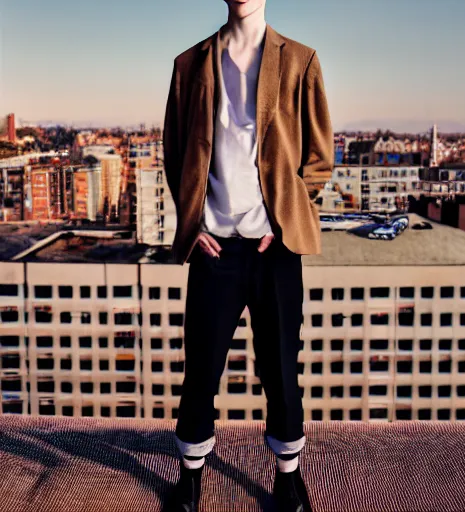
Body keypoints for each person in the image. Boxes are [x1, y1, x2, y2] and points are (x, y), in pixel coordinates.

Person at [162, 0, 333, 510]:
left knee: (281, 367)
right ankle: (190, 478)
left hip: (274, 248)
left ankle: (288, 478)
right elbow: (176, 153)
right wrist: (191, 227)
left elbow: (320, 159)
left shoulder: (300, 59)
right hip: (214, 247)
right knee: (201, 369)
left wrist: (287, 222)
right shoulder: (189, 64)